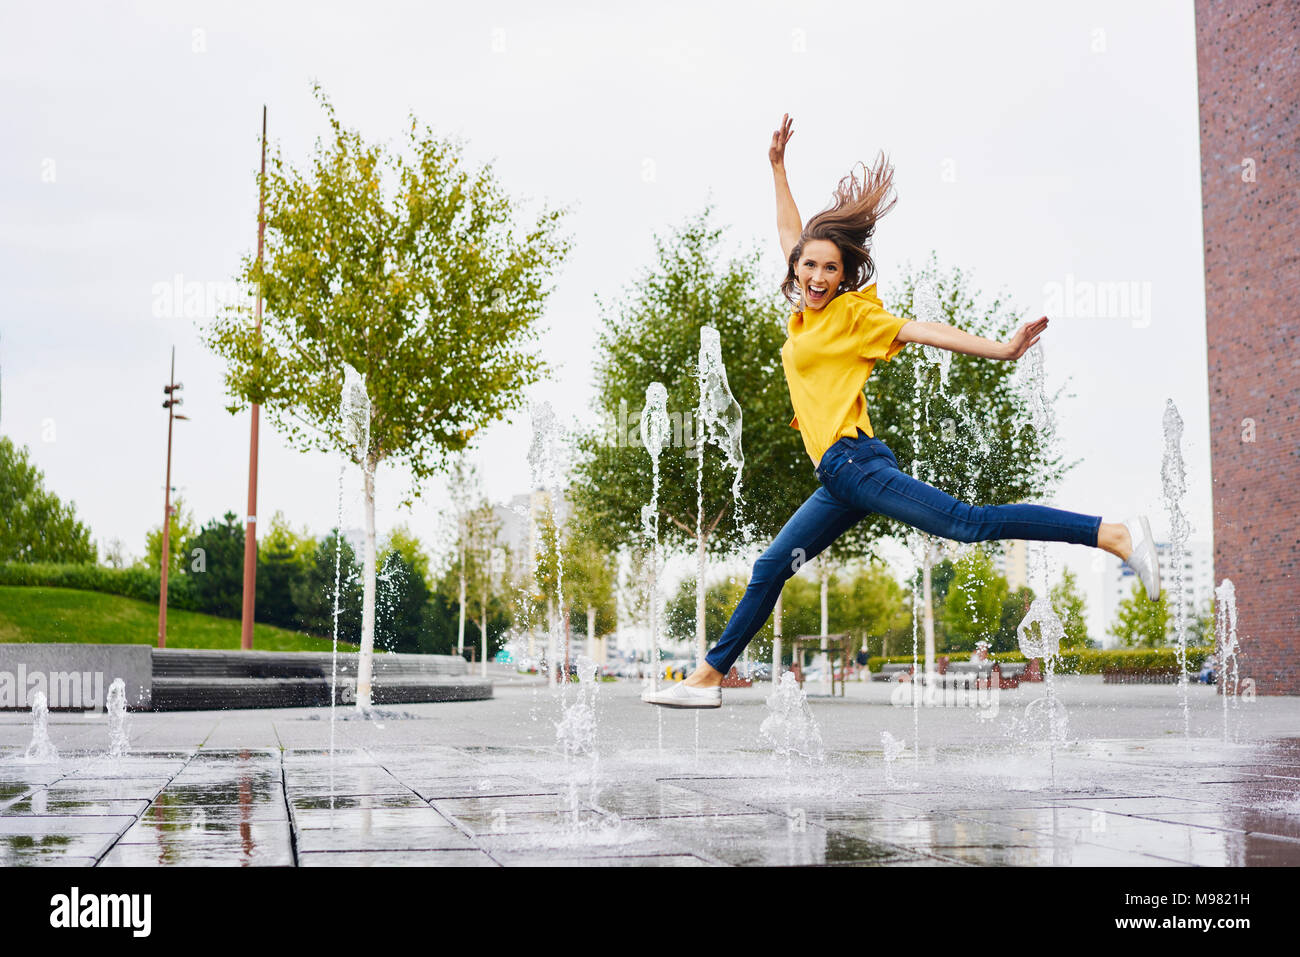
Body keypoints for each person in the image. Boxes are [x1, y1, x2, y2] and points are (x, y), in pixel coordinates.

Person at [643, 114, 1161, 709]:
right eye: (808, 266)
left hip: (855, 464)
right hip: (837, 479)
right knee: (770, 567)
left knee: (970, 523)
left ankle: (1110, 533)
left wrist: (1000, 348)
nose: (816, 275)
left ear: (844, 276)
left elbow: (922, 329)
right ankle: (708, 678)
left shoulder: (852, 316)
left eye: (829, 269)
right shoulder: (806, 310)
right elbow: (790, 229)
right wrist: (779, 170)